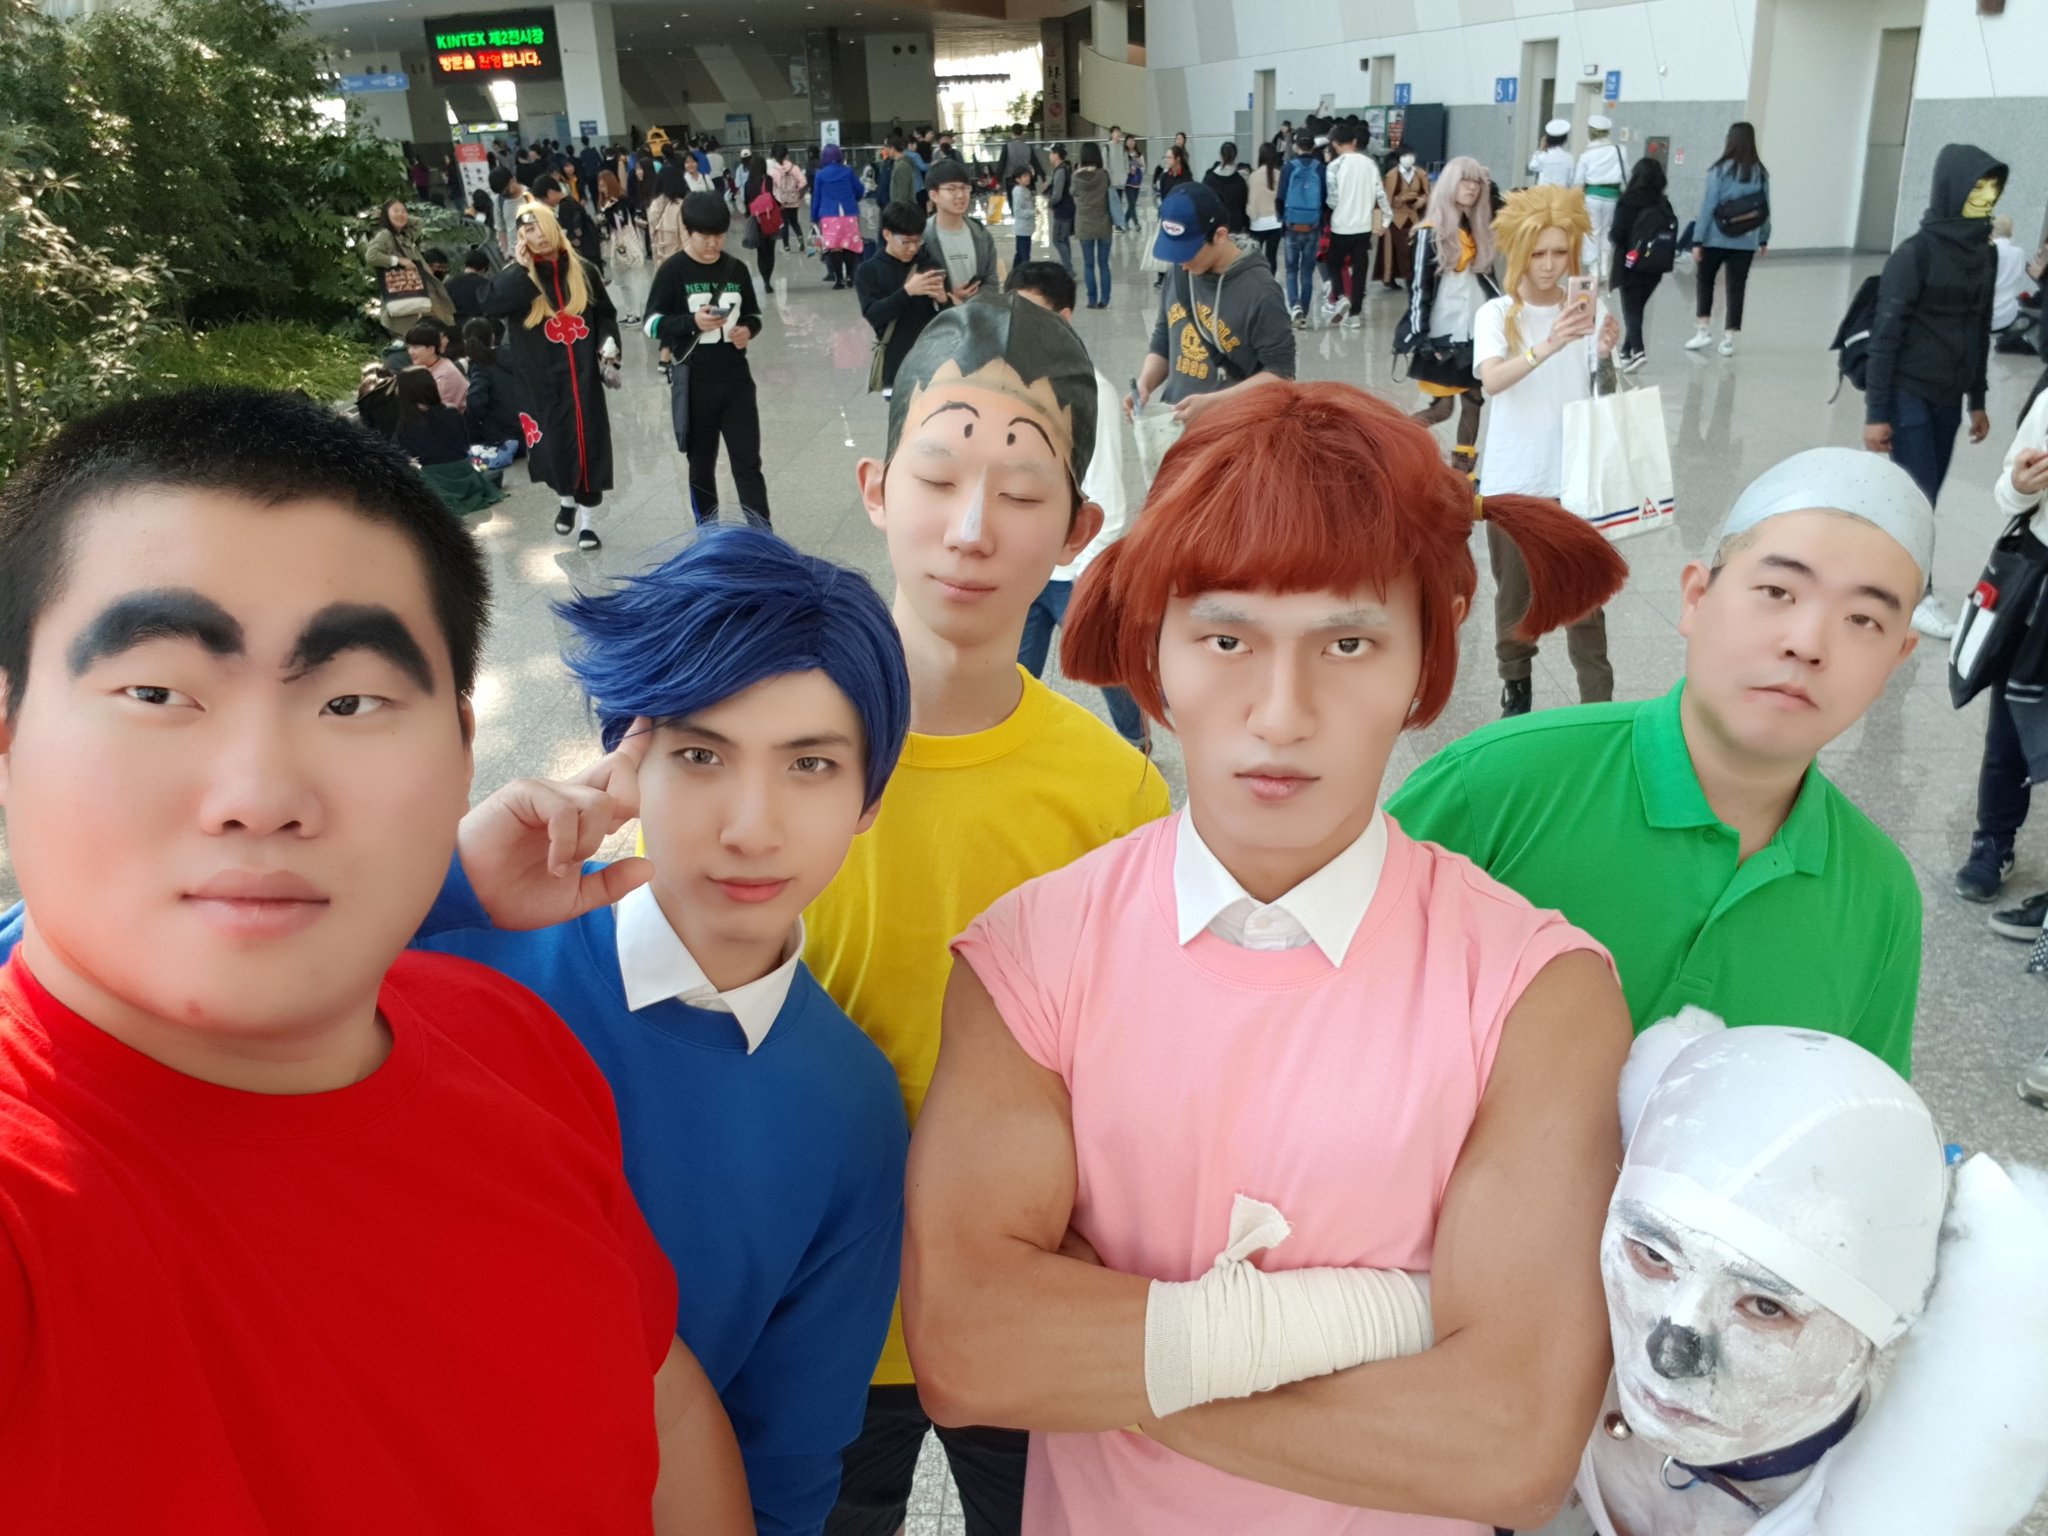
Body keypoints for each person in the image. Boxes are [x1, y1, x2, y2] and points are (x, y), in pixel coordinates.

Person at [0, 386, 751, 1534]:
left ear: (463, 748)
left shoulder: (508, 1038)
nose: (260, 794)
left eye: (351, 700)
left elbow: (662, 1406)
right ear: (10, 734)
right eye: (155, 691)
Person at [904, 380, 1633, 1534]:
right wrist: (1391, 1317)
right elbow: (967, 1351)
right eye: (1226, 638)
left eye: (1346, 642)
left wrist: (1113, 1343)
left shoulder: (1538, 993)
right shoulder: (1028, 954)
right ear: (1154, 651)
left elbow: (1506, 1444)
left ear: (1425, 657)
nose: (1280, 713)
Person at [398, 525, 913, 1536]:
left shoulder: (850, 1113)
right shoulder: (451, 959)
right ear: (625, 762)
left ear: (869, 796)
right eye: (700, 755)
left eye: (810, 764)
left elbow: (787, 1464)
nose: (751, 827)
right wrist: (438, 887)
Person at [814, 295, 1171, 1536]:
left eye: (1019, 493)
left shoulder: (1113, 793)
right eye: (936, 477)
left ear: (1076, 529)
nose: (970, 530)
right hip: (811, 1312)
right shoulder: (766, 747)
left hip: (1022, 1308)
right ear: (875, 488)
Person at [1390, 446, 1933, 1077]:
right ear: (1696, 598)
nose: (1807, 643)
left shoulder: (1880, 895)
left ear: (1898, 657)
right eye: (1777, 591)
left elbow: (1859, 1112)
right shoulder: (1494, 786)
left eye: (1863, 619)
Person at [1471, 184, 1623, 714]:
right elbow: (1492, 380)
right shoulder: (1497, 314)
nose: (1551, 265)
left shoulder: (1588, 307)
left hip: (1576, 477)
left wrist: (1603, 353)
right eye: (1539, 253)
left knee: (1587, 603)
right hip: (1514, 480)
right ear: (1518, 250)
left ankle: (1598, 709)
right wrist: (1551, 343)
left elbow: (1604, 394)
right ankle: (1516, 693)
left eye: (1561, 252)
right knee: (1515, 600)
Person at [1864, 142, 2007, 639]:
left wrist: (1978, 400)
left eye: (1993, 189)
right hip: (1909, 391)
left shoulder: (1985, 255)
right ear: (1953, 189)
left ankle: (1886, 573)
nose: (1986, 198)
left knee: (1924, 493)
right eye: (1977, 188)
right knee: (1919, 494)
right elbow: (1885, 336)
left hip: (1949, 396)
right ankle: (1914, 595)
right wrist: (1876, 412)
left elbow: (1980, 328)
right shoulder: (1915, 254)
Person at [1004, 260, 1145, 747]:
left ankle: (1137, 744)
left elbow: (1108, 495)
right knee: (1013, 669)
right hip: (1027, 561)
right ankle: (1013, 747)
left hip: (1074, 569)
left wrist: (1089, 573)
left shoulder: (1089, 390)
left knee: (1104, 666)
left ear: (1063, 317)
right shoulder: (1010, 380)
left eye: (1032, 313)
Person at [1955, 387, 2048, 912]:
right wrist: (2019, 485)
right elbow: (2010, 489)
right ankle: (1993, 842)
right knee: (2009, 728)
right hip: (2037, 592)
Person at [485, 201, 622, 552]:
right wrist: (519, 269)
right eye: (528, 230)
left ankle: (588, 522)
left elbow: (605, 315)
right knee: (552, 444)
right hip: (539, 380)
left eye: (540, 226)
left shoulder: (583, 270)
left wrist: (608, 345)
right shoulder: (518, 277)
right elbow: (491, 306)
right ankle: (565, 500)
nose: (537, 236)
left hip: (583, 378)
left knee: (587, 443)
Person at [645, 191, 770, 527]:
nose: (714, 244)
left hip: (737, 382)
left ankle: (762, 534)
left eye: (720, 235)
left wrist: (747, 330)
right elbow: (651, 324)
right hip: (695, 384)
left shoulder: (736, 269)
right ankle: (708, 533)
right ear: (688, 231)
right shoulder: (673, 271)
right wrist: (691, 322)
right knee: (701, 466)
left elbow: (755, 315)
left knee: (748, 464)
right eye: (706, 236)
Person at [1131, 182, 1295, 438]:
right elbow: (1164, 339)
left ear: (1219, 235)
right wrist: (1145, 384)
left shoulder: (1261, 292)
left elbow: (1281, 376)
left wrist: (1214, 403)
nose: (1182, 264)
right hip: (1176, 431)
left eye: (1188, 253)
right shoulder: (1180, 271)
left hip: (1231, 436)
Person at [1397, 158, 1501, 480]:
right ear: (1449, 185)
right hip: (1442, 334)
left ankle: (1463, 474)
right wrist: (1419, 336)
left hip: (1474, 331)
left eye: (1476, 182)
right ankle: (1394, 443)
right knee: (1442, 408)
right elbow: (1419, 288)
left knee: (1474, 400)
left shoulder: (1478, 230)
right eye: (1464, 181)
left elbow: (1491, 284)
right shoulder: (1430, 232)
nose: (1471, 187)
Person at [1685, 121, 1770, 358]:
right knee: (1737, 286)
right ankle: (1728, 339)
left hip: (1715, 237)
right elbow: (1765, 209)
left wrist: (1697, 240)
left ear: (1730, 140)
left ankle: (1703, 330)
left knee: (1705, 281)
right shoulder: (1760, 172)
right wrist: (1763, 238)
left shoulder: (1719, 170)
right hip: (1746, 240)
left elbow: (1708, 206)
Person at [857, 201, 953, 396]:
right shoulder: (868, 271)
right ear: (887, 234)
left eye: (918, 241)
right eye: (906, 242)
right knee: (900, 415)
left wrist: (944, 301)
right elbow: (873, 315)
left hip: (932, 362)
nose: (912, 248)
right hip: (895, 366)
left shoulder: (929, 266)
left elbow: (950, 319)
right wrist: (907, 292)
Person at [1610, 156, 1676, 370]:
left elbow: (1616, 234)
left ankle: (1638, 351)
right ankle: (1625, 351)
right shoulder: (1663, 204)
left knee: (1631, 309)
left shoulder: (1627, 201)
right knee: (1637, 308)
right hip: (1655, 265)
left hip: (1629, 263)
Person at [365, 198, 455, 338]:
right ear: (386, 214)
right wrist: (398, 261)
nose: (400, 214)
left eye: (403, 211)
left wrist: (396, 215)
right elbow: (371, 256)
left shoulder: (404, 234)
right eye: (395, 211)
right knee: (416, 333)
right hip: (402, 290)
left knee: (435, 328)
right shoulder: (385, 235)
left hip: (416, 289)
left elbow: (419, 222)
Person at [1323, 119, 1379, 328]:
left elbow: (1331, 200)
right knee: (1360, 268)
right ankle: (1355, 314)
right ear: (1354, 141)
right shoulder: (1369, 164)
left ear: (1335, 144)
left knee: (1333, 262)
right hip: (1363, 225)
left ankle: (1340, 295)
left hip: (1342, 225)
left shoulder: (1334, 167)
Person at [925, 160, 998, 306]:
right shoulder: (922, 237)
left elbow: (991, 280)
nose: (960, 195)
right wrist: (949, 298)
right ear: (934, 195)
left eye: (965, 188)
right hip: (938, 318)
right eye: (951, 189)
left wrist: (973, 304)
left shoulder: (981, 234)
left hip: (976, 316)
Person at [1276, 130, 1327, 326]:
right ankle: (1303, 314)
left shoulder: (1288, 167)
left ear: (1296, 146)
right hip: (1312, 226)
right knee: (1307, 272)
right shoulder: (1320, 168)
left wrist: (1282, 219)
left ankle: (1294, 305)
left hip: (1292, 225)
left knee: (1291, 270)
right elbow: (1324, 199)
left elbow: (1280, 198)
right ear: (1313, 146)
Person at [461, 318, 525, 471]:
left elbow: (475, 402)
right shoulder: (516, 354)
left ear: (466, 342)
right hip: (532, 432)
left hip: (505, 438)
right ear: (493, 337)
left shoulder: (481, 366)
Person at [1571, 116, 1629, 275]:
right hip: (1613, 196)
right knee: (1607, 230)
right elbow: (1627, 174)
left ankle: (1593, 266)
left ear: (1590, 132)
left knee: (1592, 231)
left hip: (1592, 196)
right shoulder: (1619, 150)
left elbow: (1577, 181)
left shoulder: (1586, 155)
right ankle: (1604, 264)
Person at [812, 144, 865, 290]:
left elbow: (816, 197)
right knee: (849, 246)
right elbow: (860, 189)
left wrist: (813, 217)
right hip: (849, 213)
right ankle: (850, 277)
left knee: (834, 248)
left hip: (829, 215)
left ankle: (839, 280)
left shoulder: (820, 174)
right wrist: (854, 199)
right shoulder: (848, 171)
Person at [1072, 143, 1115, 308]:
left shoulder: (1076, 176)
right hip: (1103, 223)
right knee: (1104, 264)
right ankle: (1104, 299)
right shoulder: (1104, 175)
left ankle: (1091, 300)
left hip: (1084, 225)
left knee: (1088, 264)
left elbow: (1073, 192)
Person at [1379, 149, 1427, 288]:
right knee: (1401, 251)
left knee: (1414, 250)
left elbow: (1427, 193)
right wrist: (1400, 199)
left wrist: (1422, 200)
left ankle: (1413, 277)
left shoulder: (1420, 174)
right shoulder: (1391, 175)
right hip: (1397, 219)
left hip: (1415, 217)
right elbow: (1386, 200)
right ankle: (1404, 278)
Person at [532, 174, 603, 267]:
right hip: (591, 249)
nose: (544, 204)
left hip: (584, 255)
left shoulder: (565, 208)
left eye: (543, 200)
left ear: (550, 193)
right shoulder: (570, 200)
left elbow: (568, 236)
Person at [741, 149, 780, 292]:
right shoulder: (768, 180)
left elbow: (747, 203)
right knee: (771, 251)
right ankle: (768, 278)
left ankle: (765, 280)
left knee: (761, 252)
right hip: (770, 218)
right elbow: (773, 197)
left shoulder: (748, 183)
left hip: (757, 220)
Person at [1201, 141, 1250, 234]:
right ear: (1236, 157)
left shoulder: (1209, 179)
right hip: (1235, 227)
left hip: (1215, 228)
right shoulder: (1240, 182)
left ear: (1220, 156)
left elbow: (1203, 204)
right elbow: (1243, 207)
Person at [770, 144, 808, 251]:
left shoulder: (774, 171)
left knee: (784, 224)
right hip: (793, 200)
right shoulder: (794, 168)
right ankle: (800, 240)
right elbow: (803, 181)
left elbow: (772, 187)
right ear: (787, 155)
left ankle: (786, 246)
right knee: (794, 222)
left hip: (781, 202)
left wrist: (777, 196)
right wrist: (797, 189)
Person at [1044, 144, 1076, 273]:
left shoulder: (1060, 171)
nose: (1049, 156)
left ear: (1056, 155)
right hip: (1067, 209)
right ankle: (1068, 268)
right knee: (1064, 239)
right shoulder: (1064, 169)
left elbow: (1057, 195)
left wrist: (1049, 204)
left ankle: (1068, 270)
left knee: (1057, 240)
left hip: (1062, 211)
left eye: (1051, 153)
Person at [445, 248, 493, 327]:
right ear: (484, 269)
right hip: (481, 326)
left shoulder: (449, 283)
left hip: (455, 326)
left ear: (465, 265)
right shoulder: (486, 285)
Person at [1527, 119, 1574, 188]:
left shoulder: (1543, 156)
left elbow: (1532, 166)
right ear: (1565, 139)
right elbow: (1571, 180)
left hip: (1544, 192)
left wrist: (1540, 149)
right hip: (1561, 193)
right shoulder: (1569, 158)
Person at [1009, 165, 1039, 268]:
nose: (1028, 178)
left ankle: (1014, 274)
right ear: (1018, 179)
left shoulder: (1026, 189)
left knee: (1020, 255)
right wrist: (1033, 212)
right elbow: (1018, 212)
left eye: (1028, 175)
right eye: (1024, 176)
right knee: (1025, 257)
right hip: (1022, 230)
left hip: (1027, 229)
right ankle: (1024, 275)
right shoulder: (1018, 191)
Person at [884, 134, 918, 207]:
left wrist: (898, 210)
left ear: (893, 148)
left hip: (903, 210)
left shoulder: (903, 166)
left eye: (888, 148)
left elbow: (902, 194)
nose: (887, 151)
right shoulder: (897, 164)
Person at [1121, 138, 1145, 228]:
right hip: (1127, 182)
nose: (1131, 143)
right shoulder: (1124, 154)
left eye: (1132, 141)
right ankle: (1136, 223)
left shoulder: (1139, 154)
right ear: (1126, 143)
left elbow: (1143, 167)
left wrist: (1138, 161)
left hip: (1137, 181)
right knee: (1131, 203)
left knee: (1133, 204)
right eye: (1129, 141)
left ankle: (1125, 221)